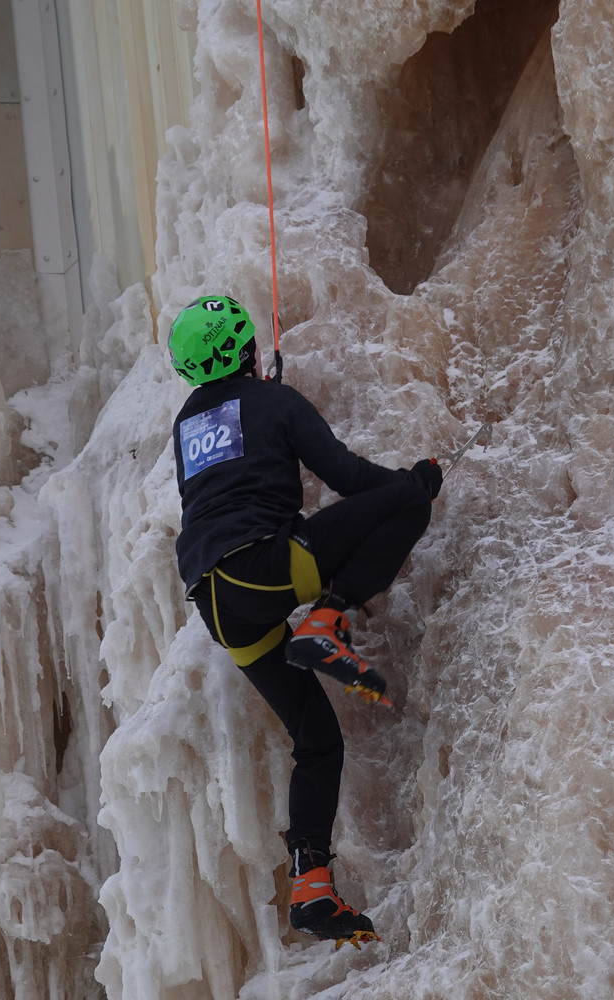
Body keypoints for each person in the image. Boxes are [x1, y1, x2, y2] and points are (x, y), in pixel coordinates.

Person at [168, 294, 442, 947]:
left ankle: (312, 887)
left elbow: (235, 463)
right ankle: (326, 618)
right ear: (246, 347)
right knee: (405, 503)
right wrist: (414, 481)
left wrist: (269, 404)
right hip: (264, 566)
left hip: (218, 603)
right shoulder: (276, 401)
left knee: (318, 741)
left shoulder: (187, 424)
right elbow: (349, 477)